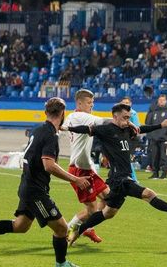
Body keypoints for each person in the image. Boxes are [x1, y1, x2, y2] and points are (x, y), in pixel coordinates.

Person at [0, 97, 89, 267]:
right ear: (63, 113)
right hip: (36, 191)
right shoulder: (50, 136)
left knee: (21, 226)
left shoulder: (37, 129)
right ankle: (61, 263)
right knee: (62, 229)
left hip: (27, 185)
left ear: (45, 113)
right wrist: (75, 179)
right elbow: (48, 165)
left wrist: (58, 128)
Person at [64, 103, 167, 246]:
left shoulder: (127, 129)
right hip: (120, 179)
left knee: (108, 213)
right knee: (149, 194)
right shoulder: (106, 129)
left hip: (120, 178)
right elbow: (85, 129)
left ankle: (77, 231)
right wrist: (67, 128)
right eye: (125, 117)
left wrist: (161, 125)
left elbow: (141, 129)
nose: (127, 120)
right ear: (115, 116)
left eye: (128, 117)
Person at [63, 89, 111, 244]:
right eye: (89, 103)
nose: (92, 106)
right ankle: (71, 230)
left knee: (109, 197)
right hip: (78, 169)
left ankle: (86, 228)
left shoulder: (71, 117)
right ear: (79, 103)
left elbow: (62, 127)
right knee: (92, 209)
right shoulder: (80, 116)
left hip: (86, 167)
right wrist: (122, 120)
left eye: (92, 103)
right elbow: (105, 121)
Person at [145, 95, 167, 179]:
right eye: (160, 100)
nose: (161, 102)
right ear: (158, 101)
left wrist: (166, 133)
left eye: (163, 100)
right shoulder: (153, 112)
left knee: (164, 157)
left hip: (164, 138)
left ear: (166, 101)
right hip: (154, 138)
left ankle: (164, 174)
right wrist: (150, 135)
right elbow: (148, 123)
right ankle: (155, 173)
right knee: (154, 157)